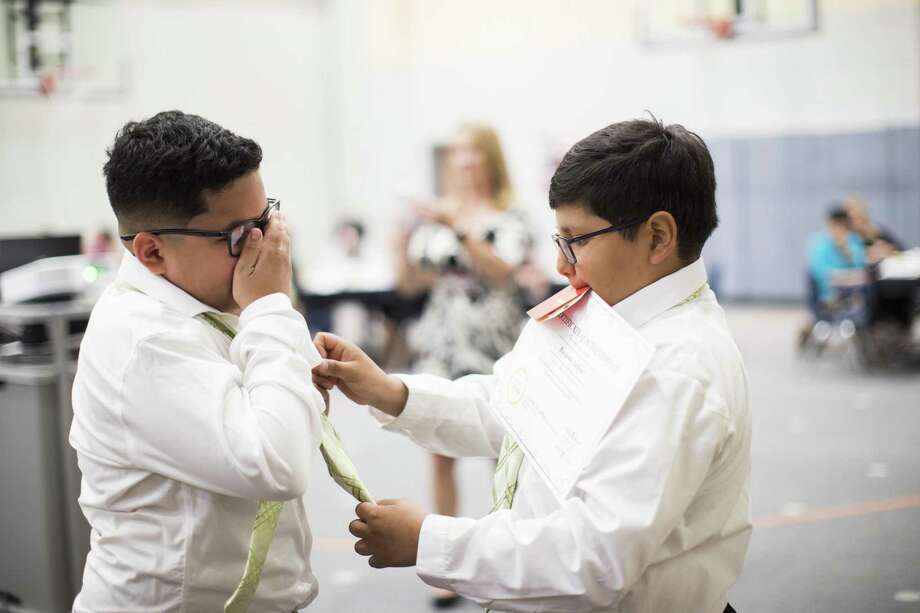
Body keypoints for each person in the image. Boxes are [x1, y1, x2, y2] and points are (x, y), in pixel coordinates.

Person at [315, 117, 750, 613]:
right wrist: (390, 392)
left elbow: (595, 558)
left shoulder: (676, 370)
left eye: (577, 240)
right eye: (558, 241)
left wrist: (430, 541)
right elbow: (515, 403)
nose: (561, 266)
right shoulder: (604, 309)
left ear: (656, 238)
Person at [69, 111, 327, 611]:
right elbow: (276, 464)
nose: (262, 246)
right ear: (151, 252)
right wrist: (270, 308)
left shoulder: (200, 298)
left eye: (264, 220)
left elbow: (264, 424)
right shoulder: (142, 337)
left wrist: (296, 388)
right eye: (238, 236)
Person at [394, 122, 531, 607]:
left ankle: (509, 554)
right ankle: (449, 564)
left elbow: (503, 271)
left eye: (472, 150)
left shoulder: (509, 215)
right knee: (439, 447)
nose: (463, 160)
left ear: (490, 157)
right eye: (457, 152)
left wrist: (457, 228)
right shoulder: (439, 214)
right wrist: (403, 235)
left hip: (496, 342)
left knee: (506, 452)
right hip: (443, 343)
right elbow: (410, 284)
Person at [806, 206, 867, 324]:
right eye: (835, 225)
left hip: (854, 291)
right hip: (830, 294)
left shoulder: (852, 241)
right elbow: (820, 273)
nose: (839, 229)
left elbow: (861, 266)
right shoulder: (819, 244)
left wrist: (846, 251)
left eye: (842, 225)